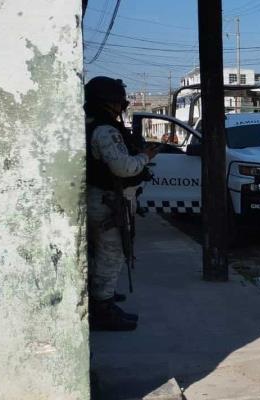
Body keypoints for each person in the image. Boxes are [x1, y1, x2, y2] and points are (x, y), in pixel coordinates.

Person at [85, 76, 159, 331]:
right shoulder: (105, 130)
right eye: (119, 102)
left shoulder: (94, 125)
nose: (122, 106)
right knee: (112, 254)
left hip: (104, 200)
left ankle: (100, 298)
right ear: (110, 103)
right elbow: (123, 167)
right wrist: (144, 157)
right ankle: (101, 309)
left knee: (101, 254)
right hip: (109, 203)